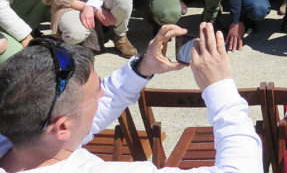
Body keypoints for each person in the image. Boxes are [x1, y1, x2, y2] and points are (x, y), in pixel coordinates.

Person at [0, 22, 263, 173]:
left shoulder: (21, 132)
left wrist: (144, 66)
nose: (103, 93)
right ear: (62, 127)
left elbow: (95, 106)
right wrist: (219, 86)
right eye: (95, 93)